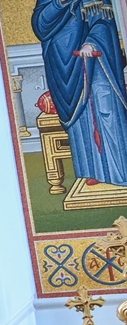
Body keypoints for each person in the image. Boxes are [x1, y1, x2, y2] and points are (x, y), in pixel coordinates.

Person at [33, 0, 127, 187]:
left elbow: (104, 21)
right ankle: (93, 171)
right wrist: (60, 3)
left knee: (106, 108)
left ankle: (120, 172)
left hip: (96, 59)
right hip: (64, 63)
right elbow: (40, 26)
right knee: (82, 119)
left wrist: (92, 43)